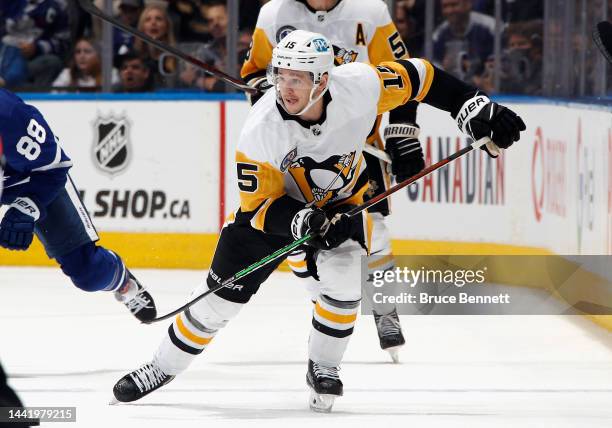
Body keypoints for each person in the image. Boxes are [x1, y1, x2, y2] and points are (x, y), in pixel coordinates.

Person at [111, 30, 525, 412]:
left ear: (324, 81)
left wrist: (474, 107)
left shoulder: (361, 86)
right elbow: (259, 209)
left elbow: (424, 76)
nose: (285, 88)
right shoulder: (261, 131)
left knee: (346, 282)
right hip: (273, 217)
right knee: (217, 304)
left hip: (343, 203)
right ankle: (161, 367)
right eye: (281, 75)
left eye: (298, 78)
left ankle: (323, 367)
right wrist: (303, 221)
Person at [240, 0, 424, 362]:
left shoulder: (370, 11)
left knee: (375, 229)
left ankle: (384, 309)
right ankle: (326, 303)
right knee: (298, 229)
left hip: (356, 141)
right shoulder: (273, 13)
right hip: (294, 147)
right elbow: (253, 72)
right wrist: (265, 86)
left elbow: (404, 73)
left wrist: (403, 132)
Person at [0, 88, 157, 323]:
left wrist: (27, 206)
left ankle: (121, 281)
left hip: (27, 179)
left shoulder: (10, 116)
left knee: (88, 273)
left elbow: (52, 170)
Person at [0, 0, 70, 88]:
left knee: (52, 62)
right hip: (6, 49)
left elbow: (62, 42)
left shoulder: (57, 6)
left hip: (33, 59)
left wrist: (37, 47)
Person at [433, 0, 496, 81]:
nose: (449, 10)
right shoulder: (439, 33)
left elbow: (500, 59)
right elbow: (430, 62)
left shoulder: (490, 27)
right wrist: (442, 68)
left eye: (454, 5)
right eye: (445, 6)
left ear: (468, 4)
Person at [52, 38, 119, 92]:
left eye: (87, 51)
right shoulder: (67, 74)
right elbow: (52, 98)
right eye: (78, 52)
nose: (82, 56)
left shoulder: (110, 74)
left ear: (98, 56)